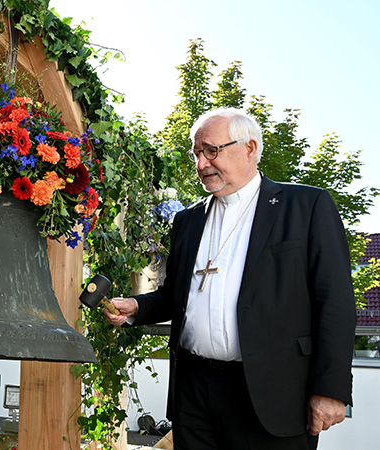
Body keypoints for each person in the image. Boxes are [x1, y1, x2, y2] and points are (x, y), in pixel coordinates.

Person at [105, 108, 356, 450]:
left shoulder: (306, 206)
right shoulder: (187, 221)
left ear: (249, 148)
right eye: (196, 153)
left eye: (211, 151)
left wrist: (331, 390)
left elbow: (336, 303)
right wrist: (135, 307)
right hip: (194, 392)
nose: (201, 164)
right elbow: (175, 296)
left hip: (271, 393)